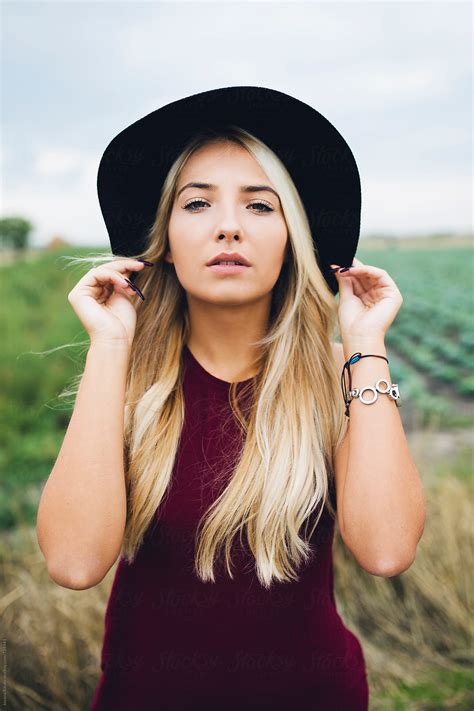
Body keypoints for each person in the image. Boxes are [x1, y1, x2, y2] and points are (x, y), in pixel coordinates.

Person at [36, 86, 426, 710]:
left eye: (260, 206)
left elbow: (387, 549)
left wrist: (363, 342)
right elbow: (74, 564)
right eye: (196, 203)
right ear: (162, 237)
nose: (228, 226)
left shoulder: (339, 375)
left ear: (292, 237)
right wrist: (110, 347)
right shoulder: (128, 378)